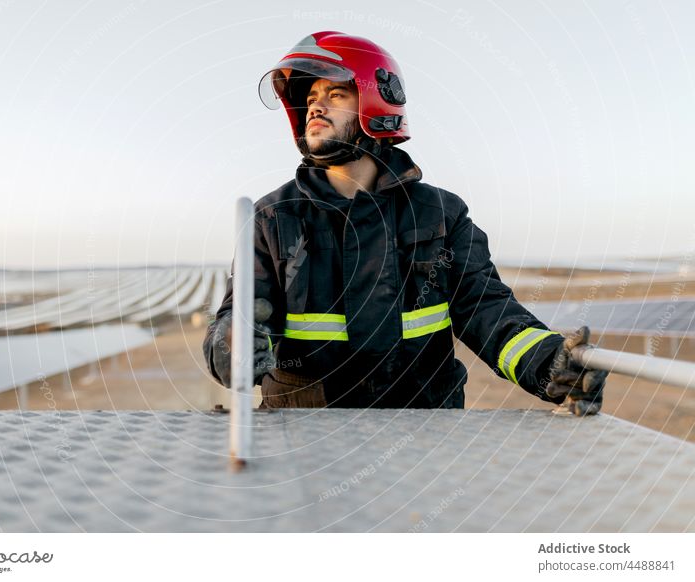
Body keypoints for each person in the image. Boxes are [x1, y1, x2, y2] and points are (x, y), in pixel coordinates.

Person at [203, 31, 606, 414]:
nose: (315, 106)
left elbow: (485, 308)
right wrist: (230, 346)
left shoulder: (442, 215)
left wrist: (547, 362)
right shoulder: (271, 218)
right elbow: (242, 317)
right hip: (302, 441)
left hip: (425, 441)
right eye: (309, 97)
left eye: (335, 93)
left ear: (378, 101)